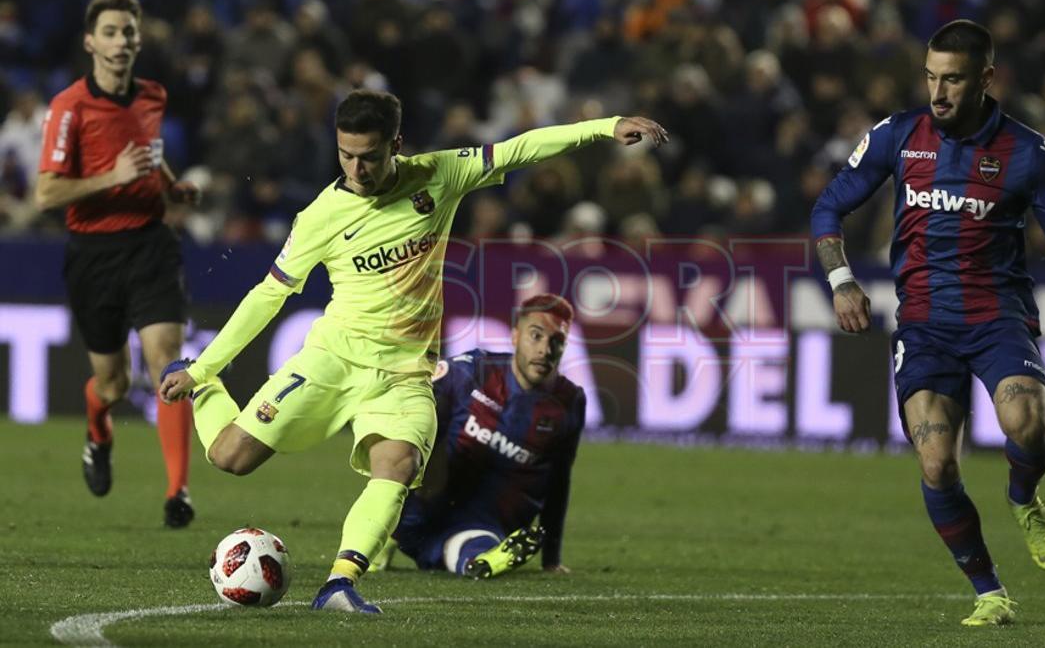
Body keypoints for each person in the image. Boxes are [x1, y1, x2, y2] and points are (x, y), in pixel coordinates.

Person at [159, 89, 666, 613]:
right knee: (230, 457)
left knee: (396, 464)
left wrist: (604, 126)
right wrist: (205, 367)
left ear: (396, 145)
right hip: (333, 360)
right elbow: (269, 294)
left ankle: (339, 583)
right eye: (345, 155)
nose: (356, 168)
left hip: (405, 373)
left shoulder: (438, 175)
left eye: (369, 157)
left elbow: (519, 149)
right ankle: (200, 384)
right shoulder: (320, 216)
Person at [809, 19, 1045, 627]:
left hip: (997, 318)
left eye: (952, 80)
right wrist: (841, 280)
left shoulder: (1026, 154)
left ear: (986, 79)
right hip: (923, 324)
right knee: (935, 462)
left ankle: (1023, 495)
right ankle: (989, 591)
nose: (938, 93)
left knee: (1027, 423)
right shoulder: (899, 136)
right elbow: (828, 206)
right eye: (930, 77)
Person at [35, 0, 200, 528]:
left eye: (128, 32)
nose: (121, 41)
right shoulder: (68, 108)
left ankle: (178, 493)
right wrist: (114, 176)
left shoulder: (153, 94)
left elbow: (148, 152)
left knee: (167, 360)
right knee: (112, 384)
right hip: (95, 255)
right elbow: (46, 194)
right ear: (90, 42)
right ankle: (98, 431)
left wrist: (174, 186)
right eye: (110, 32)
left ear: (138, 39)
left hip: (151, 243)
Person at [370, 294, 585, 579]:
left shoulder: (569, 402)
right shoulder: (471, 372)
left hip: (487, 520)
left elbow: (559, 482)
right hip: (423, 505)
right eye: (536, 336)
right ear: (515, 336)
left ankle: (481, 562)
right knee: (411, 435)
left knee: (474, 546)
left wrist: (551, 558)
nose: (545, 349)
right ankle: (380, 535)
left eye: (556, 341)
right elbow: (405, 408)